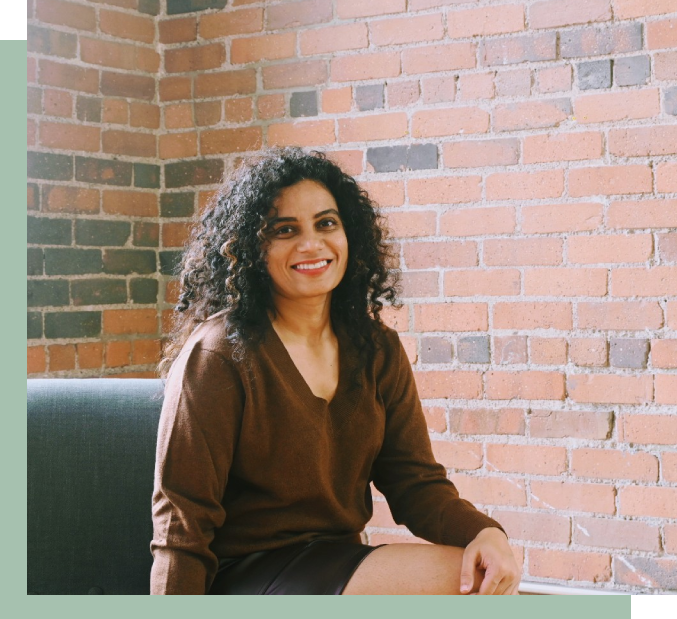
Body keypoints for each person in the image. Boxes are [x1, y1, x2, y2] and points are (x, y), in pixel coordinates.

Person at [151, 148, 520, 595]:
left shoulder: (375, 348)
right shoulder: (219, 355)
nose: (312, 244)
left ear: (350, 235)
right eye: (285, 230)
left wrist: (485, 531)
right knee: (455, 587)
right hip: (244, 574)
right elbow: (182, 524)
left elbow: (414, 482)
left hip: (337, 562)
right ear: (252, 248)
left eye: (326, 223)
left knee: (480, 577)